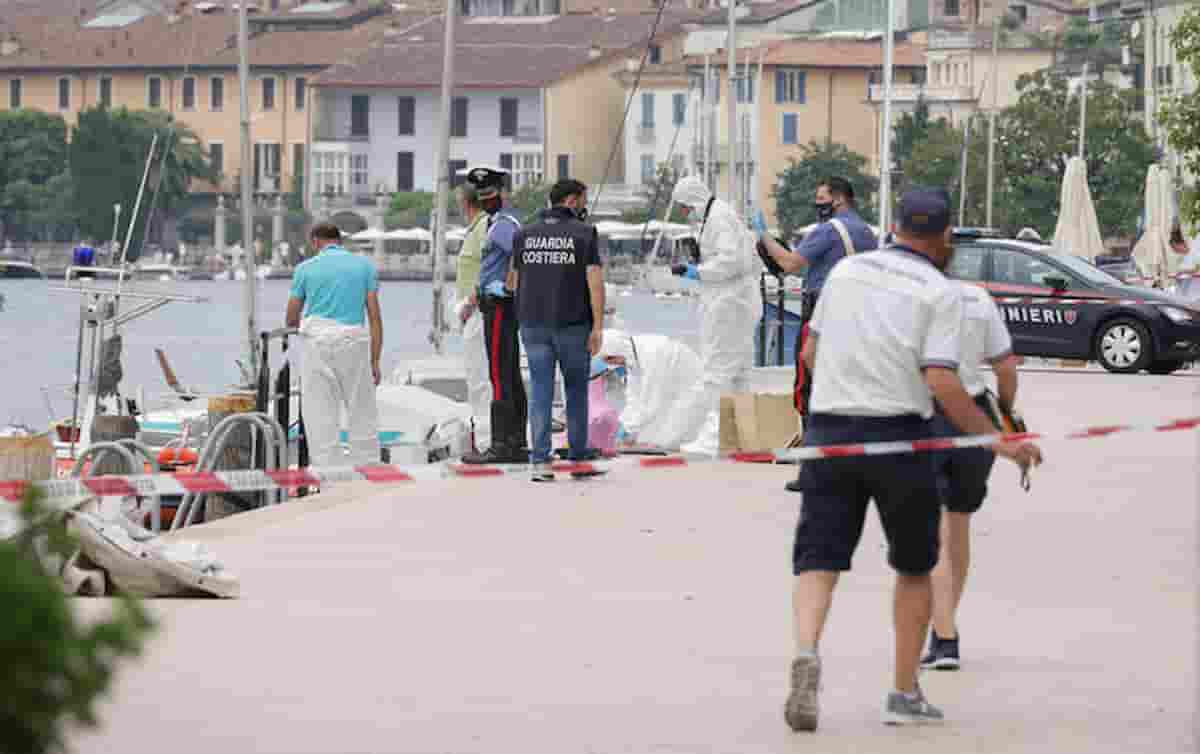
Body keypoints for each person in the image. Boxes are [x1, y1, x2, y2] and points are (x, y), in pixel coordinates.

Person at [783, 187, 1042, 732]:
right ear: (945, 236)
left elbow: (809, 352)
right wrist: (997, 439)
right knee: (914, 566)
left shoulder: (846, 274)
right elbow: (943, 380)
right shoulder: (940, 290)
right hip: (901, 434)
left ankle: (807, 652)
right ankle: (904, 692)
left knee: (819, 558)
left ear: (896, 226)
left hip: (830, 429)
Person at [921, 280, 1020, 671]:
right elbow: (1006, 366)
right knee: (957, 524)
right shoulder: (977, 297)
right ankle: (943, 627)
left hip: (927, 412)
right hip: (977, 414)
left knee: (934, 529)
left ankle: (945, 638)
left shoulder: (908, 294)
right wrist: (1008, 416)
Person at [758, 177, 877, 491]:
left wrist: (764, 237)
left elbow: (788, 264)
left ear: (837, 199)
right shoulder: (867, 232)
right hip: (857, 320)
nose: (817, 204)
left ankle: (814, 471)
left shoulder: (827, 230)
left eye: (820, 197)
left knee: (809, 391)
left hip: (822, 318)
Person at [510, 178, 604, 481]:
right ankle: (577, 457)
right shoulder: (585, 233)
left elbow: (512, 281)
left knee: (540, 391)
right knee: (575, 390)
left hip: (532, 324)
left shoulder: (524, 233)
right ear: (572, 201)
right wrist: (599, 326)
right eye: (583, 201)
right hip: (573, 324)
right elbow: (595, 283)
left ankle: (540, 462)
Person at [668, 175, 759, 455]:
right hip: (735, 301)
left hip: (728, 302)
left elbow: (732, 260)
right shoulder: (716, 215)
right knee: (739, 372)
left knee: (717, 369)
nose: (684, 213)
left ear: (692, 200)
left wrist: (698, 272)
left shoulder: (718, 217)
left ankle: (714, 436)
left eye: (684, 207)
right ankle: (742, 434)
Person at [286, 222, 383, 468]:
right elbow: (374, 316)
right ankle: (368, 470)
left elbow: (292, 316)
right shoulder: (364, 267)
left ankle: (330, 479)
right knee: (362, 410)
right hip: (353, 341)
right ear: (339, 241)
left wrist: (295, 327)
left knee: (320, 414)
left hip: (317, 343)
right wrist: (375, 360)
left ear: (315, 242)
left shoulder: (305, 269)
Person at [461, 166, 528, 464]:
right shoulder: (494, 222)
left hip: (500, 305)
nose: (488, 200)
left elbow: (521, 254)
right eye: (483, 196)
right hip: (495, 303)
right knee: (508, 372)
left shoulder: (503, 224)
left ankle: (502, 444)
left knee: (500, 375)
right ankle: (515, 441)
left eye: (492, 195)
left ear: (502, 194)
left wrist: (509, 286)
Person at [453, 183, 492, 450]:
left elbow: (489, 268)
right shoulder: (476, 229)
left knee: (480, 379)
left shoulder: (483, 227)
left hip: (478, 312)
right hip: (471, 313)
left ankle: (486, 441)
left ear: (466, 204)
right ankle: (484, 437)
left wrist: (470, 302)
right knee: (475, 377)